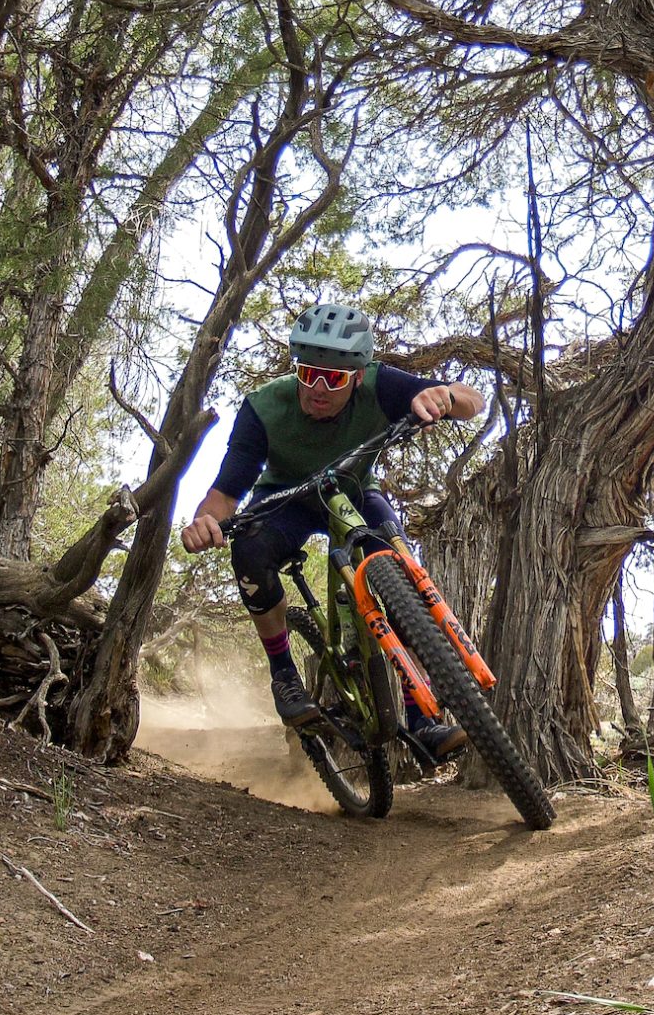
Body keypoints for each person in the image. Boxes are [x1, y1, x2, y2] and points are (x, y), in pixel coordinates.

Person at [177, 302, 485, 764]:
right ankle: (283, 672)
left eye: (335, 378)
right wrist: (204, 521)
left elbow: (472, 401)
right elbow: (226, 492)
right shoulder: (263, 408)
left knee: (398, 575)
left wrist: (443, 395)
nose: (318, 388)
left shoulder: (382, 385)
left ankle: (420, 716)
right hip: (286, 498)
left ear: (359, 376)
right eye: (309, 373)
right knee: (250, 550)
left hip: (355, 491)